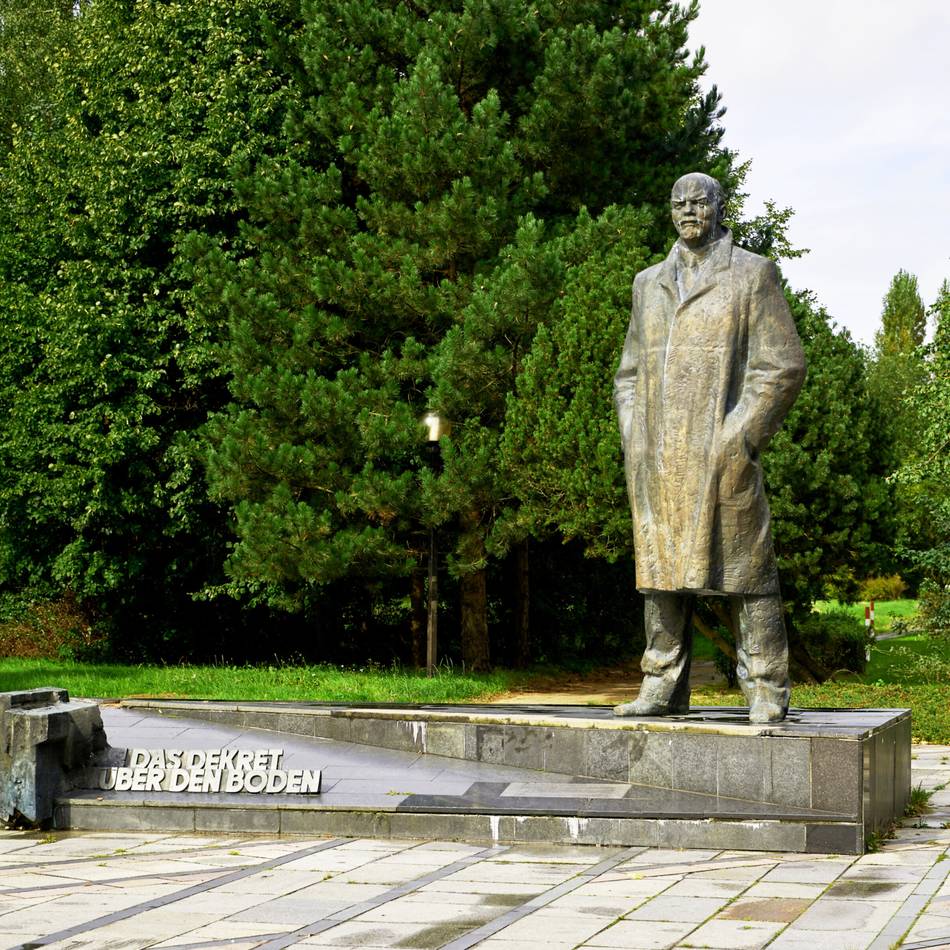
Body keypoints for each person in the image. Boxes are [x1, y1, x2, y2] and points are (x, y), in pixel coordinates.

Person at [613, 172, 805, 723]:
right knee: (659, 573)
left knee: (747, 572)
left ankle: (766, 685)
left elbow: (781, 366)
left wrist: (739, 436)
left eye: (700, 202)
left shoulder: (751, 275)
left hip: (720, 451)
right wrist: (636, 436)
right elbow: (628, 373)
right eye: (679, 203)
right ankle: (661, 683)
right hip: (658, 455)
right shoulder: (647, 283)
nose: (688, 211)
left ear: (721, 208)